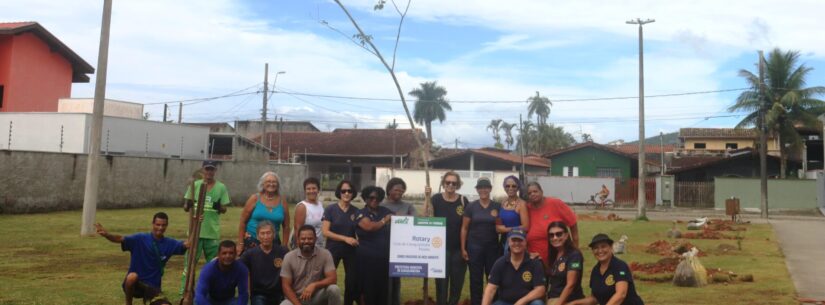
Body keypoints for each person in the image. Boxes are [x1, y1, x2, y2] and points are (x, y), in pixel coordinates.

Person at [95, 212, 188, 305]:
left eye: (163, 225)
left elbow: (187, 244)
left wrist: (198, 222)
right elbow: (119, 239)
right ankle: (128, 303)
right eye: (158, 224)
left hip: (153, 287)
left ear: (167, 226)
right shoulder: (140, 239)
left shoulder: (169, 243)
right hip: (136, 285)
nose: (160, 228)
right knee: (132, 277)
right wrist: (107, 235)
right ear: (153, 224)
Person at [180, 160, 231, 295]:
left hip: (211, 232)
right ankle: (186, 291)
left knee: (214, 264)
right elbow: (186, 207)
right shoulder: (195, 185)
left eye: (212, 169)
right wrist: (190, 204)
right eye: (207, 169)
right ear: (203, 170)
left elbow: (224, 208)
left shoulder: (221, 187)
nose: (209, 172)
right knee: (189, 264)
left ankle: (212, 291)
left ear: (215, 171)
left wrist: (217, 206)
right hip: (194, 232)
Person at [428, 171, 470, 305]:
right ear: (443, 183)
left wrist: (464, 249)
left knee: (457, 285)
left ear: (457, 184)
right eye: (448, 182)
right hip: (440, 250)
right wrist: (426, 197)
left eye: (454, 183)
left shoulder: (463, 200)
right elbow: (426, 218)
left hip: (459, 250)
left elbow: (467, 225)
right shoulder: (435, 199)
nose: (451, 185)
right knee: (441, 285)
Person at [461, 177, 502, 305]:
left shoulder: (497, 206)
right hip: (474, 248)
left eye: (486, 187)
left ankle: (493, 302)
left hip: (493, 249)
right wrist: (463, 248)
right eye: (480, 188)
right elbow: (464, 228)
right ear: (477, 190)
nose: (483, 190)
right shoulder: (471, 206)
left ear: (490, 189)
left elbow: (500, 227)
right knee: (475, 279)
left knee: (493, 278)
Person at [481, 229, 545, 305]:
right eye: (514, 240)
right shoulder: (500, 263)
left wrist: (521, 301)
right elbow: (490, 289)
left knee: (538, 303)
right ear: (508, 242)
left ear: (525, 242)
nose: (517, 243)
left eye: (520, 240)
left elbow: (540, 290)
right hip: (505, 302)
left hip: (528, 302)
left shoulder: (535, 263)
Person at [280, 225, 341, 305]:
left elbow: (333, 279)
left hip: (317, 297)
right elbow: (286, 286)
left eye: (310, 238)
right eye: (303, 239)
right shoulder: (289, 257)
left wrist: (315, 285)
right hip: (297, 298)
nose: (306, 241)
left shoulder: (325, 254)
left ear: (315, 239)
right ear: (298, 240)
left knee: (334, 289)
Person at [322, 180, 360, 305]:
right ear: (339, 192)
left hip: (351, 251)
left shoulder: (356, 211)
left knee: (351, 281)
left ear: (353, 193)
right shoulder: (330, 209)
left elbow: (359, 232)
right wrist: (345, 238)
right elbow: (325, 232)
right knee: (328, 279)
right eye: (344, 191)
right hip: (333, 249)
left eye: (349, 191)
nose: (347, 193)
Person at [578, 234, 644, 305]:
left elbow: (621, 294)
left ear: (611, 247)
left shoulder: (620, 266)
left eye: (603, 246)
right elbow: (595, 298)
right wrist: (574, 303)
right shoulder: (595, 270)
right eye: (596, 248)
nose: (600, 251)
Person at [525, 182, 578, 269]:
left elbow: (572, 223)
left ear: (541, 192)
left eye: (535, 191)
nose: (533, 194)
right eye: (529, 193)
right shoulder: (527, 209)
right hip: (535, 261)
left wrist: (575, 249)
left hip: (558, 258)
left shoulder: (555, 203)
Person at [355, 186, 394, 305]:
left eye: (378, 198)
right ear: (365, 199)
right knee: (367, 290)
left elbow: (403, 221)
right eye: (371, 197)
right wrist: (384, 221)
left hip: (384, 259)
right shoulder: (360, 213)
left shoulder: (385, 211)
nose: (374, 200)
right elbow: (369, 227)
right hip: (366, 259)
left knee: (382, 290)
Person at [381, 177, 416, 305]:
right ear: (389, 190)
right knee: (383, 279)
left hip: (401, 248)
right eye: (396, 189)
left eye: (402, 191)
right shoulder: (381, 205)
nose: (399, 192)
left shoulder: (408, 206)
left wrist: (395, 217)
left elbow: (414, 220)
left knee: (396, 279)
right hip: (383, 246)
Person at [239, 171, 291, 253]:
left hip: (274, 242)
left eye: (274, 182)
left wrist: (284, 246)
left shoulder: (283, 201)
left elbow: (286, 227)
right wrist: (240, 243)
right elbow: (243, 221)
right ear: (262, 184)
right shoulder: (254, 198)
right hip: (252, 241)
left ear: (278, 185)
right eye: (268, 181)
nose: (271, 184)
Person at [241, 221, 290, 305]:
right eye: (262, 233)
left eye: (268, 233)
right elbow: (237, 266)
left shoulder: (283, 252)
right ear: (257, 236)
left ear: (274, 235)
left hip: (279, 294)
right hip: (258, 294)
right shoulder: (249, 254)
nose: (265, 236)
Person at [194, 240, 249, 305]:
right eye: (224, 253)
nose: (227, 256)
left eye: (231, 253)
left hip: (229, 300)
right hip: (210, 300)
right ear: (218, 254)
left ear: (235, 255)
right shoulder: (208, 269)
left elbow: (243, 294)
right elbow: (199, 294)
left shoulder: (241, 269)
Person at [546, 221, 584, 305]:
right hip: (552, 298)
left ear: (566, 235)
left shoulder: (574, 255)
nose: (555, 238)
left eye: (559, 234)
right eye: (551, 235)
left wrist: (558, 303)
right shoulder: (554, 254)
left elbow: (571, 284)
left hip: (568, 300)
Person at [496, 175, 529, 253]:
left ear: (518, 188)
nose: (510, 188)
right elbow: (499, 224)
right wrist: (498, 227)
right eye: (507, 186)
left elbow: (526, 227)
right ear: (504, 188)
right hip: (503, 241)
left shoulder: (522, 204)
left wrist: (507, 229)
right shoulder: (503, 203)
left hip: (516, 242)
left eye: (513, 186)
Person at [293, 177, 325, 249]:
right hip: (306, 247)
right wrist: (299, 249)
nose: (311, 191)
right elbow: (297, 230)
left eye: (314, 188)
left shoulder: (321, 205)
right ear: (305, 191)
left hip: (319, 247)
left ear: (318, 190)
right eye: (308, 189)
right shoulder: (302, 207)